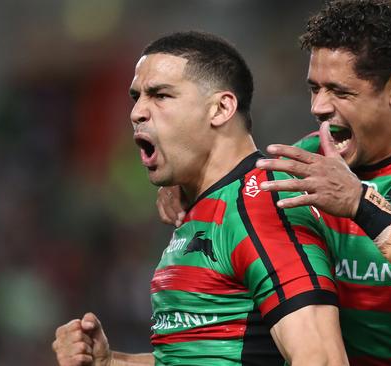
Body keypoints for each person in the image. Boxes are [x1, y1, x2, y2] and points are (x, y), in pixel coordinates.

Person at [158, 1, 391, 364]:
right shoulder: (305, 160)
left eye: (339, 92)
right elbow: (237, 183)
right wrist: (193, 178)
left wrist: (361, 204)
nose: (318, 107)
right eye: (314, 88)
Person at [52, 31, 348, 366]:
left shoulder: (260, 201)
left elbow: (321, 358)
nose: (137, 112)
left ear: (221, 108)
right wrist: (112, 363)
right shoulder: (204, 207)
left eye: (160, 95)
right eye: (136, 97)